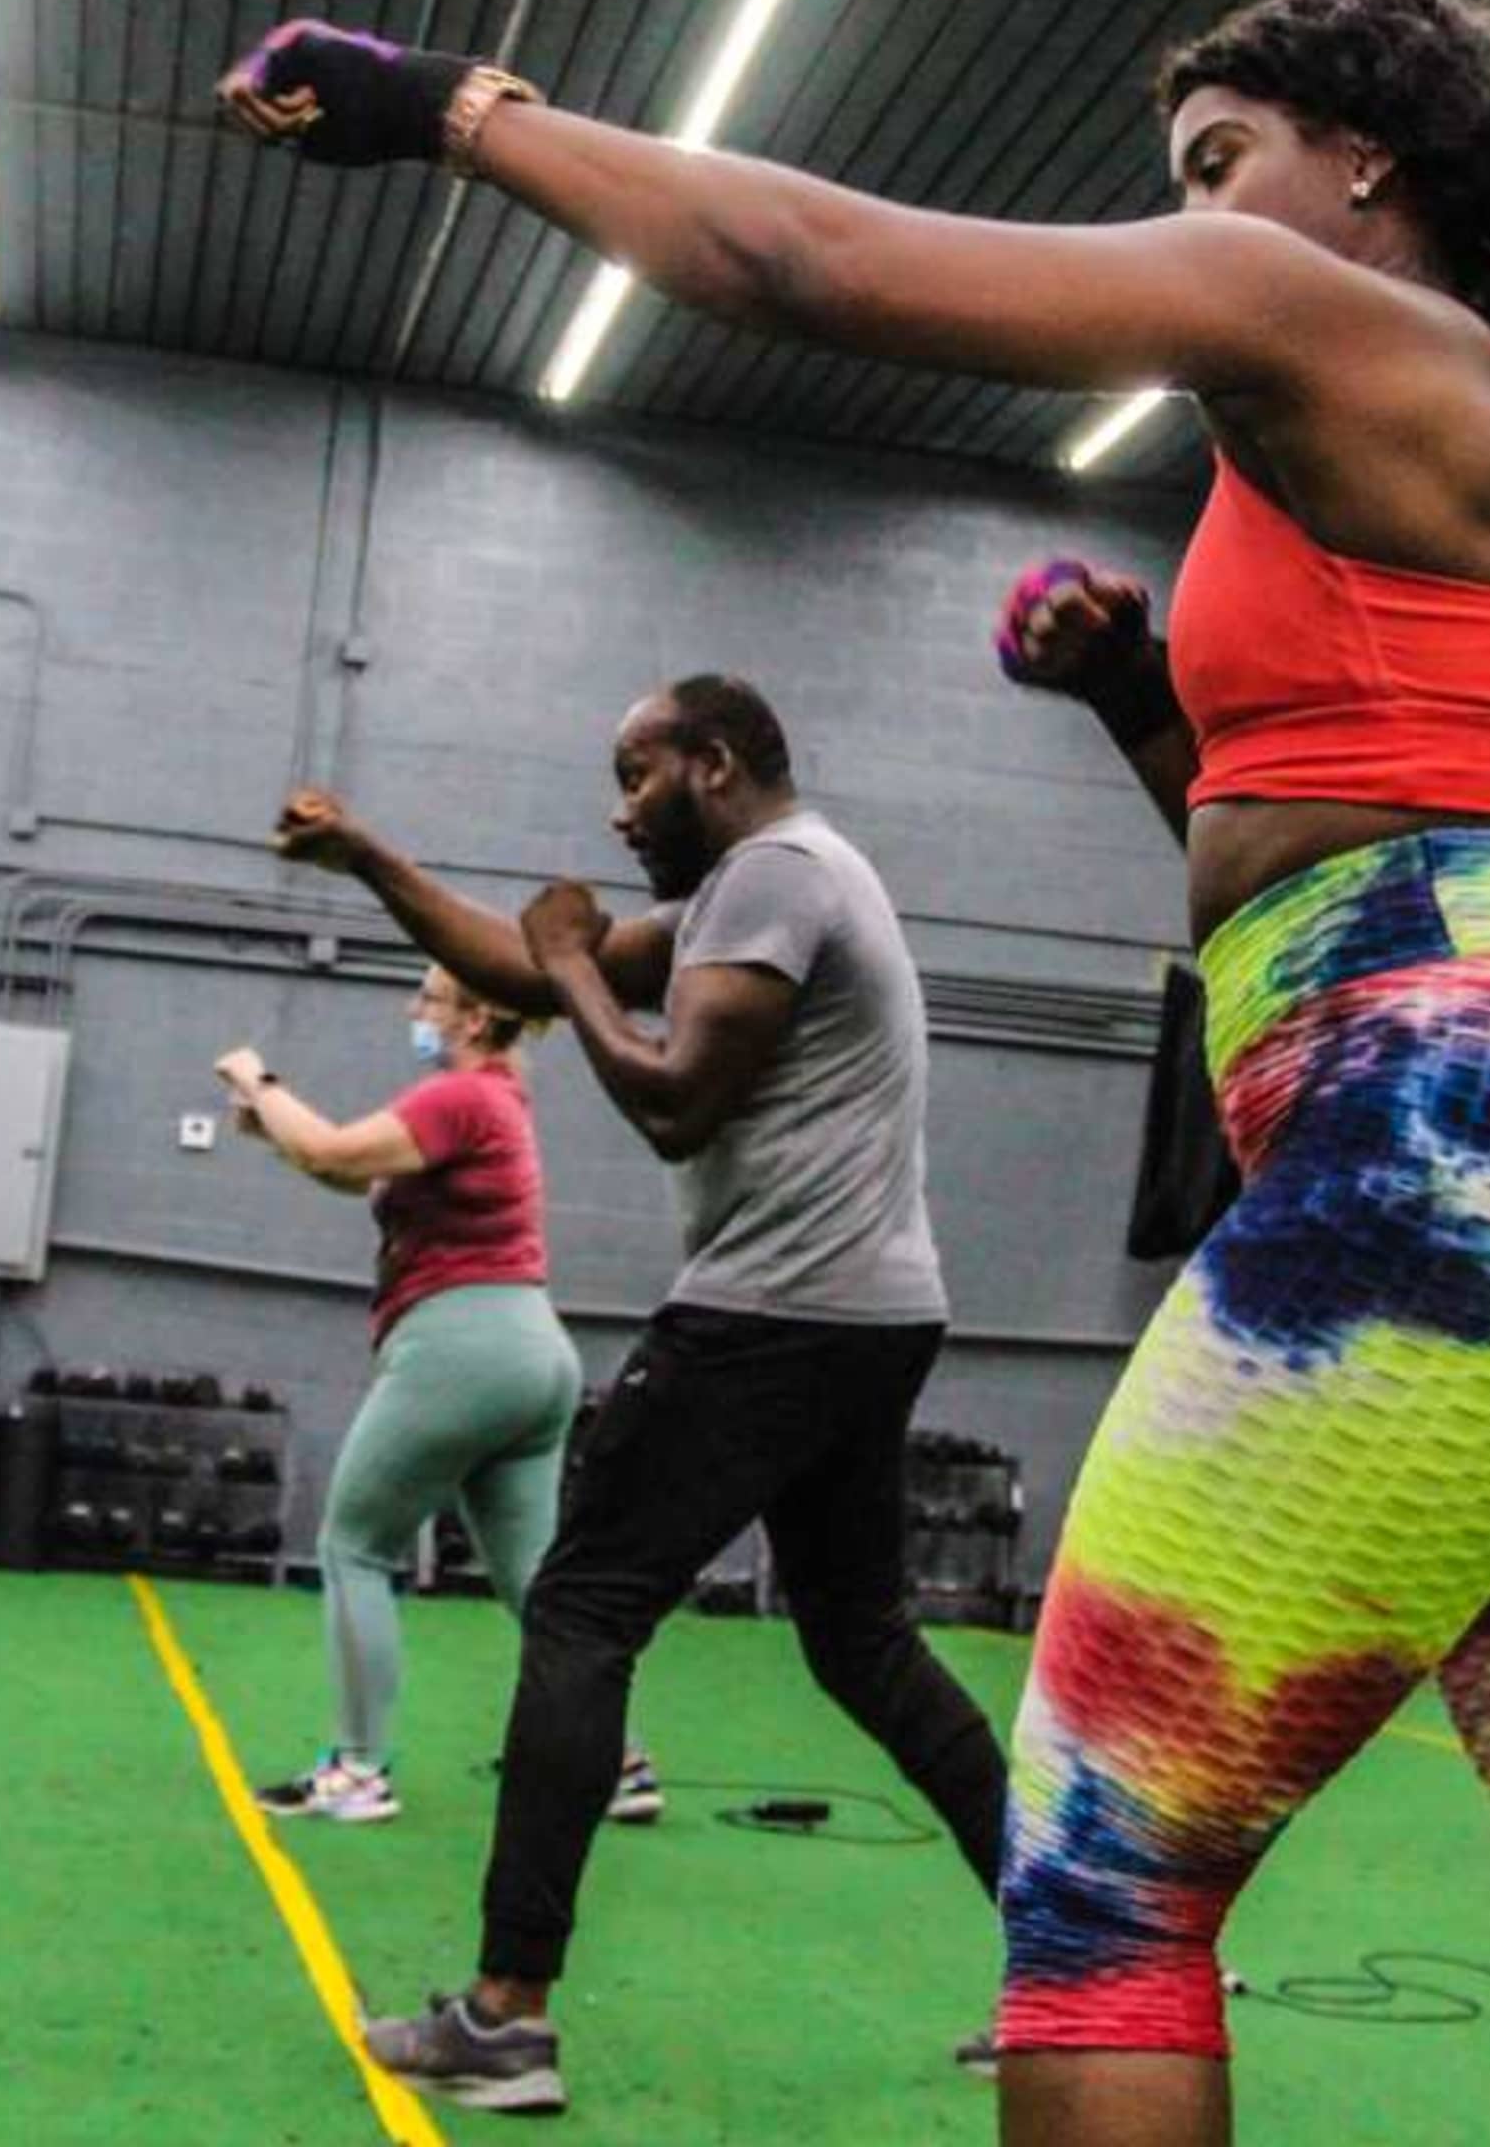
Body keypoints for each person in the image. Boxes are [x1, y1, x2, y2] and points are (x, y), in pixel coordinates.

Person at [218, 0, 1490, 2146]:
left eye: (1218, 160)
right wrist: (1150, 698)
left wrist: (457, 110)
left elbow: (805, 259)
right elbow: (1322, 846)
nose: (1200, 210)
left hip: (1466, 1119)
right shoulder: (1439, 425)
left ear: (1366, 162)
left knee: (1108, 1848)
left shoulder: (1318, 311)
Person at [265, 679, 1008, 2119]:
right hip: (871, 1315)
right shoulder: (766, 883)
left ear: (712, 766)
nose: (616, 808)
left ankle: (505, 2018)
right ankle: (1086, 1969)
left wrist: (571, 959)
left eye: (637, 774)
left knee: (584, 1612)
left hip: (770, 1317)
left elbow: (672, 1095)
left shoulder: (777, 879)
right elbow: (532, 969)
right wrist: (371, 857)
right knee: (862, 1645)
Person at [214, 970, 656, 1829]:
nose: (415, 1012)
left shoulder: (461, 1096)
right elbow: (347, 1170)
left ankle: (357, 1770)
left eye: (430, 998)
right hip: (530, 1356)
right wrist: (275, 1132)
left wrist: (259, 1082)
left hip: (463, 1352)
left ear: (477, 1014)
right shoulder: (494, 1100)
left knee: (354, 1547)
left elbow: (336, 1149)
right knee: (540, 1585)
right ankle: (618, 1765)